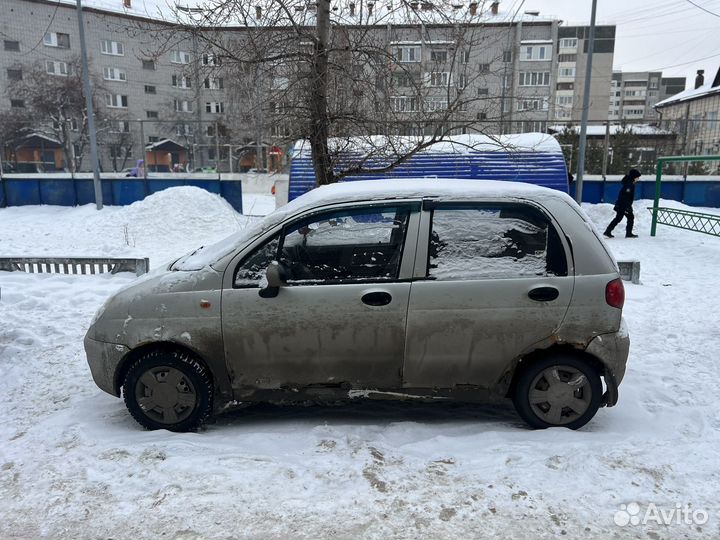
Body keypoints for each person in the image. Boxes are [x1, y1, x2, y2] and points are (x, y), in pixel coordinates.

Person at [604, 168, 641, 238]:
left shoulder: (629, 183)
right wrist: (627, 207)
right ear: (634, 177)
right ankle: (629, 233)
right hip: (624, 205)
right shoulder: (629, 184)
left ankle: (608, 231)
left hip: (621, 204)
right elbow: (625, 196)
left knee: (618, 218)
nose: (638, 179)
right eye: (637, 177)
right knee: (630, 217)